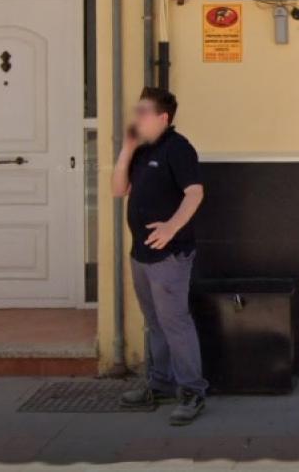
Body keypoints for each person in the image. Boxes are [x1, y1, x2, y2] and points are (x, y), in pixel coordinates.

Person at [111, 86, 208, 425]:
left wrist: (170, 227)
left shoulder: (178, 149)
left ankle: (192, 391)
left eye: (142, 113)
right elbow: (117, 190)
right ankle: (161, 382)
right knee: (154, 323)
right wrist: (126, 149)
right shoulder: (140, 150)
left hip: (170, 256)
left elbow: (195, 193)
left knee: (174, 322)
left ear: (162, 118)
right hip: (141, 253)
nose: (136, 118)